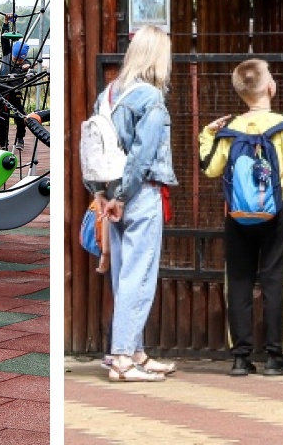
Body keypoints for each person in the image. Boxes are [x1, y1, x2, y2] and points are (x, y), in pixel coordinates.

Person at [199, 59, 283, 377]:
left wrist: (206, 135)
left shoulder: (227, 131)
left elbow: (209, 168)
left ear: (239, 91)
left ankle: (240, 357)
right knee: (276, 282)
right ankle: (275, 357)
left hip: (237, 216)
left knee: (237, 283)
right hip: (277, 213)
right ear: (270, 87)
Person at [87, 25, 178, 382]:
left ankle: (132, 350)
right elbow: (143, 155)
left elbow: (92, 142)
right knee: (139, 276)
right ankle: (124, 357)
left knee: (124, 276)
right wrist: (123, 196)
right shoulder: (152, 98)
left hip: (110, 193)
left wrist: (100, 192)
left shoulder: (108, 94)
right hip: (138, 195)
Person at [0, 42, 30, 150]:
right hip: (1, 91)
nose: (17, 62)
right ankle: (3, 143)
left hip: (15, 92)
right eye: (15, 59)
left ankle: (20, 138)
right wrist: (5, 24)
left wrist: (28, 69)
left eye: (20, 60)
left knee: (21, 116)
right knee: (1, 118)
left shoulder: (26, 64)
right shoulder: (7, 54)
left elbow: (30, 70)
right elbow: (4, 38)